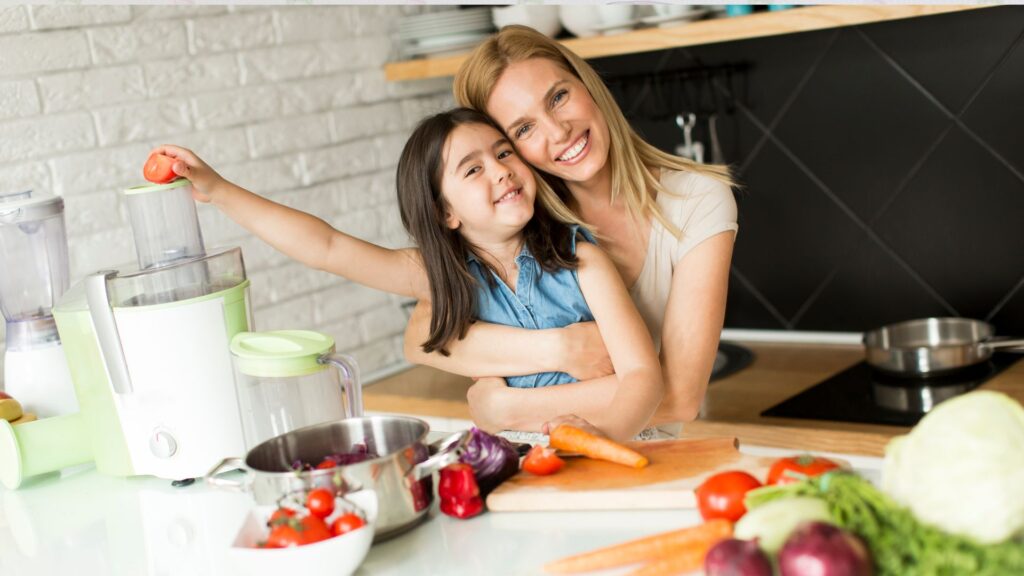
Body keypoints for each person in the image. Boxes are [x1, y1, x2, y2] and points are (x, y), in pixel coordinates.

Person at [152, 108, 662, 442]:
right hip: (515, 453)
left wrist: (601, 438)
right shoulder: (440, 277)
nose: (501, 170)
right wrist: (219, 190)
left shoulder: (581, 260)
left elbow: (641, 376)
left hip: (611, 436)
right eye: (472, 169)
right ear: (446, 214)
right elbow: (326, 246)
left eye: (503, 153)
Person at [403, 25, 738, 436]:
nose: (558, 131)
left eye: (559, 97)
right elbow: (421, 333)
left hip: (642, 459)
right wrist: (562, 347)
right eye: (523, 129)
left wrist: (509, 409)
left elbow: (680, 397)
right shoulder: (519, 218)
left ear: (587, 84)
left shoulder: (696, 200)